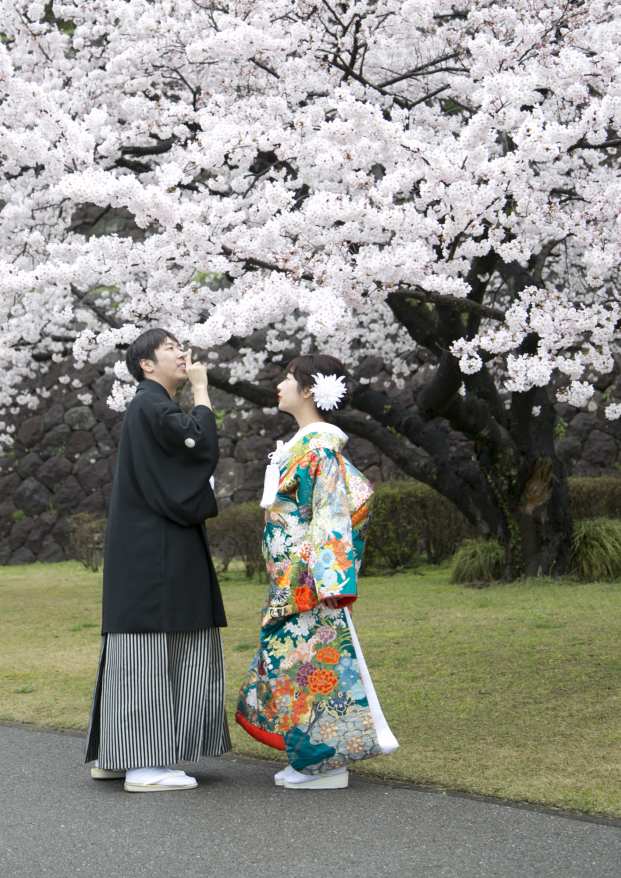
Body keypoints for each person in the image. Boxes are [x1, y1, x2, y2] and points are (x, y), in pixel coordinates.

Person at [235, 354, 399, 789]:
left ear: (308, 390)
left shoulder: (320, 447)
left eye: (288, 378)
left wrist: (328, 579)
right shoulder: (306, 445)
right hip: (295, 578)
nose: (280, 384)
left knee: (311, 667)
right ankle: (313, 761)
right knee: (297, 666)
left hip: (307, 581)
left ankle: (326, 764)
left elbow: (332, 512)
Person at [84, 328, 230, 792]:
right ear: (146, 364)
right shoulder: (152, 405)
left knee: (139, 649)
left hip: (146, 548)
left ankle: (118, 754)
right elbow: (198, 446)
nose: (182, 354)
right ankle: (146, 766)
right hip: (158, 552)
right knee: (154, 647)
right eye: (171, 348)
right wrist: (203, 392)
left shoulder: (148, 406)